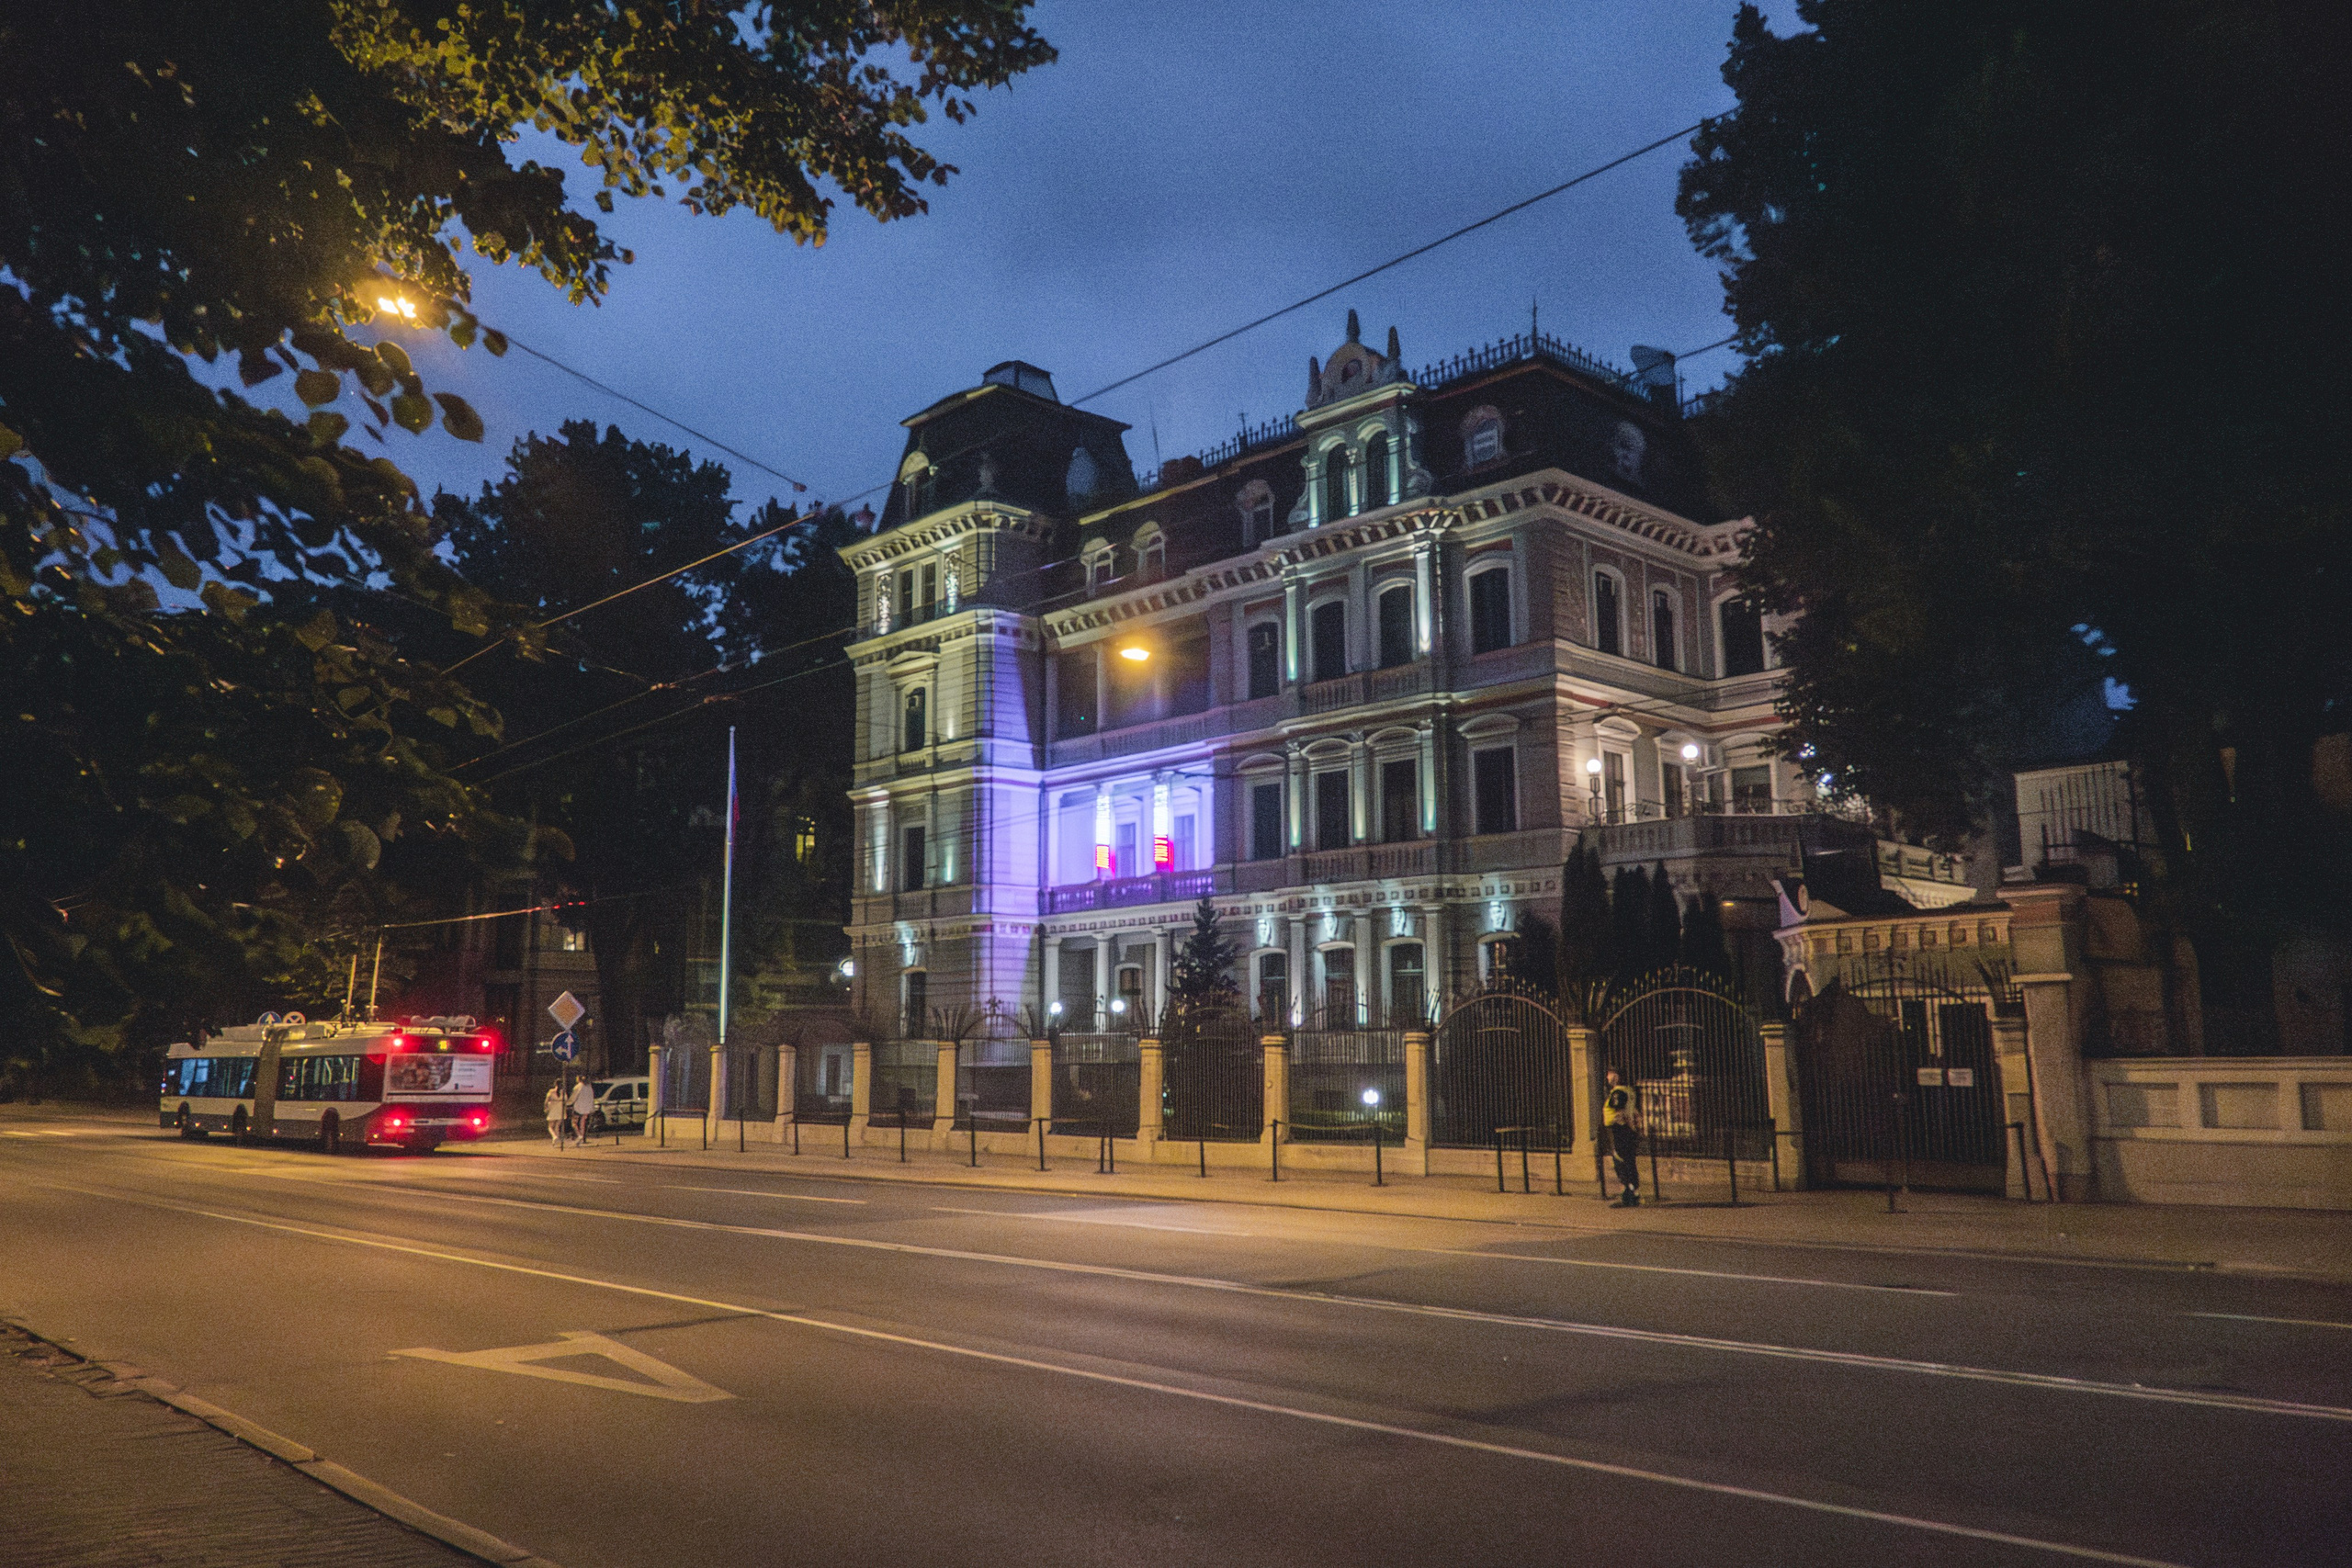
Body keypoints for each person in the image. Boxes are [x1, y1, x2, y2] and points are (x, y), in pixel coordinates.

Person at [1601, 1067, 1641, 1207]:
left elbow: (1621, 1112)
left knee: (1621, 1162)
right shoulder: (1629, 1091)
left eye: (1609, 1075)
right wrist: (1636, 1128)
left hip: (1620, 1130)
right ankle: (1634, 1193)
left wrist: (1629, 1126)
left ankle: (1627, 1194)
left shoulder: (1618, 1093)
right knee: (1629, 1161)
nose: (1607, 1078)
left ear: (1616, 1077)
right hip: (1627, 1132)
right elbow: (1635, 1112)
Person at [570, 1076, 597, 1145]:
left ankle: (579, 1135)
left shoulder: (578, 1087)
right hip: (586, 1108)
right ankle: (582, 1136)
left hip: (578, 1107)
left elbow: (573, 1098)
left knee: (574, 1123)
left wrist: (568, 1103)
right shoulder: (589, 1087)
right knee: (583, 1123)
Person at [544, 1083, 566, 1147]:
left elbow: (546, 1100)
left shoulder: (551, 1091)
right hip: (560, 1109)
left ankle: (554, 1136)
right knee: (557, 1126)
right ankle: (555, 1142)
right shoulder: (563, 1092)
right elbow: (566, 1100)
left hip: (553, 1109)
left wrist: (545, 1108)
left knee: (550, 1126)